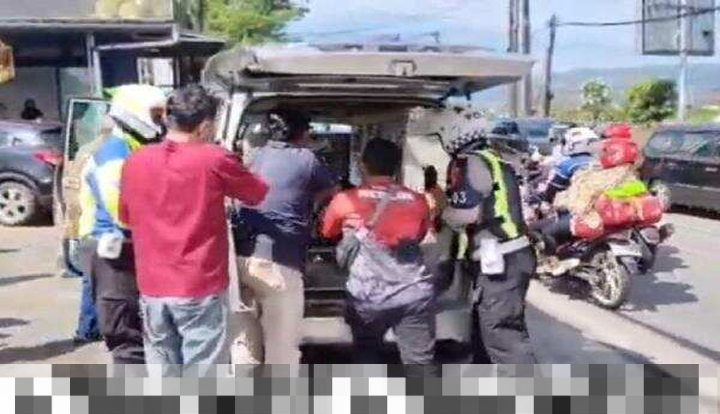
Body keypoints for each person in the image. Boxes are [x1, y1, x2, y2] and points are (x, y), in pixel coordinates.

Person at [120, 85, 268, 377]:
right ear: (205, 126)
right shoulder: (214, 158)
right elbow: (257, 193)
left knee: (162, 371)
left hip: (152, 286)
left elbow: (126, 218)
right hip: (199, 285)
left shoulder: (136, 160)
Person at [321, 139, 439, 377]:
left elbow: (327, 232)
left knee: (367, 358)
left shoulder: (345, 199)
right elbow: (420, 235)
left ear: (363, 165)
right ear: (397, 167)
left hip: (367, 297)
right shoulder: (418, 201)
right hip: (412, 293)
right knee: (420, 363)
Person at [231, 110, 336, 367]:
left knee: (245, 347)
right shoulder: (306, 159)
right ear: (303, 133)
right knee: (282, 352)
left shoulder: (255, 156)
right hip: (279, 263)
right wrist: (311, 207)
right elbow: (332, 191)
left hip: (240, 260)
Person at [77, 84, 167, 368]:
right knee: (126, 334)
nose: (162, 121)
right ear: (135, 113)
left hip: (129, 244)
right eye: (157, 114)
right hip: (110, 248)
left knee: (144, 329)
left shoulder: (134, 147)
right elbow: (122, 211)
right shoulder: (113, 154)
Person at [440, 129, 536, 364]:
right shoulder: (493, 160)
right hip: (508, 256)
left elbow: (469, 213)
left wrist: (442, 214)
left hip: (502, 259)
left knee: (501, 332)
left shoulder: (471, 162)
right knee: (484, 327)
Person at [540, 127, 599, 203]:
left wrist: (546, 198)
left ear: (573, 144)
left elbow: (555, 187)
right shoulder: (598, 161)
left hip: (577, 201)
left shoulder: (568, 164)